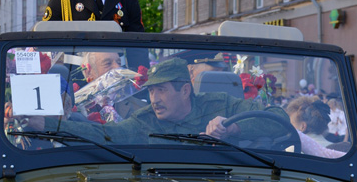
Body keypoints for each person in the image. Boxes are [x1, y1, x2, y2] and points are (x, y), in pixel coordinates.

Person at [55, 58, 289, 144]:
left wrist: (233, 127)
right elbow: (106, 135)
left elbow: (279, 119)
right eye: (151, 91)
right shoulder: (145, 120)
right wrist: (46, 125)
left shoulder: (221, 105)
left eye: (162, 90)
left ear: (185, 90)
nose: (154, 99)